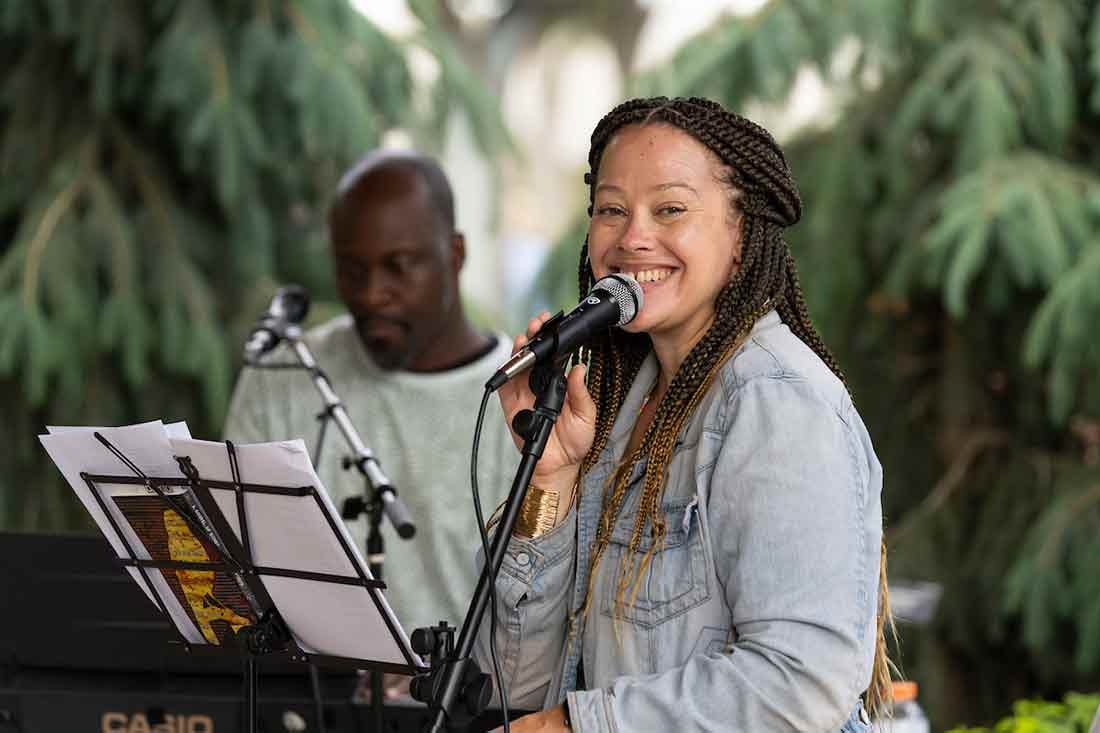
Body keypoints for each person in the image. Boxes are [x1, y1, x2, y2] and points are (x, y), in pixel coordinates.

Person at [477, 97, 889, 732]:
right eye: (611, 210)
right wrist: (550, 480)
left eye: (670, 209)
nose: (632, 236)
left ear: (741, 234)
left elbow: (800, 683)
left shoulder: (776, 402)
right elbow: (520, 680)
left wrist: (578, 727)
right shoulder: (621, 404)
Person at [224, 151, 517, 666]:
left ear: (455, 255)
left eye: (397, 268)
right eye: (351, 270)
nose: (371, 295)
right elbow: (234, 566)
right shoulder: (282, 375)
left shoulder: (526, 399)